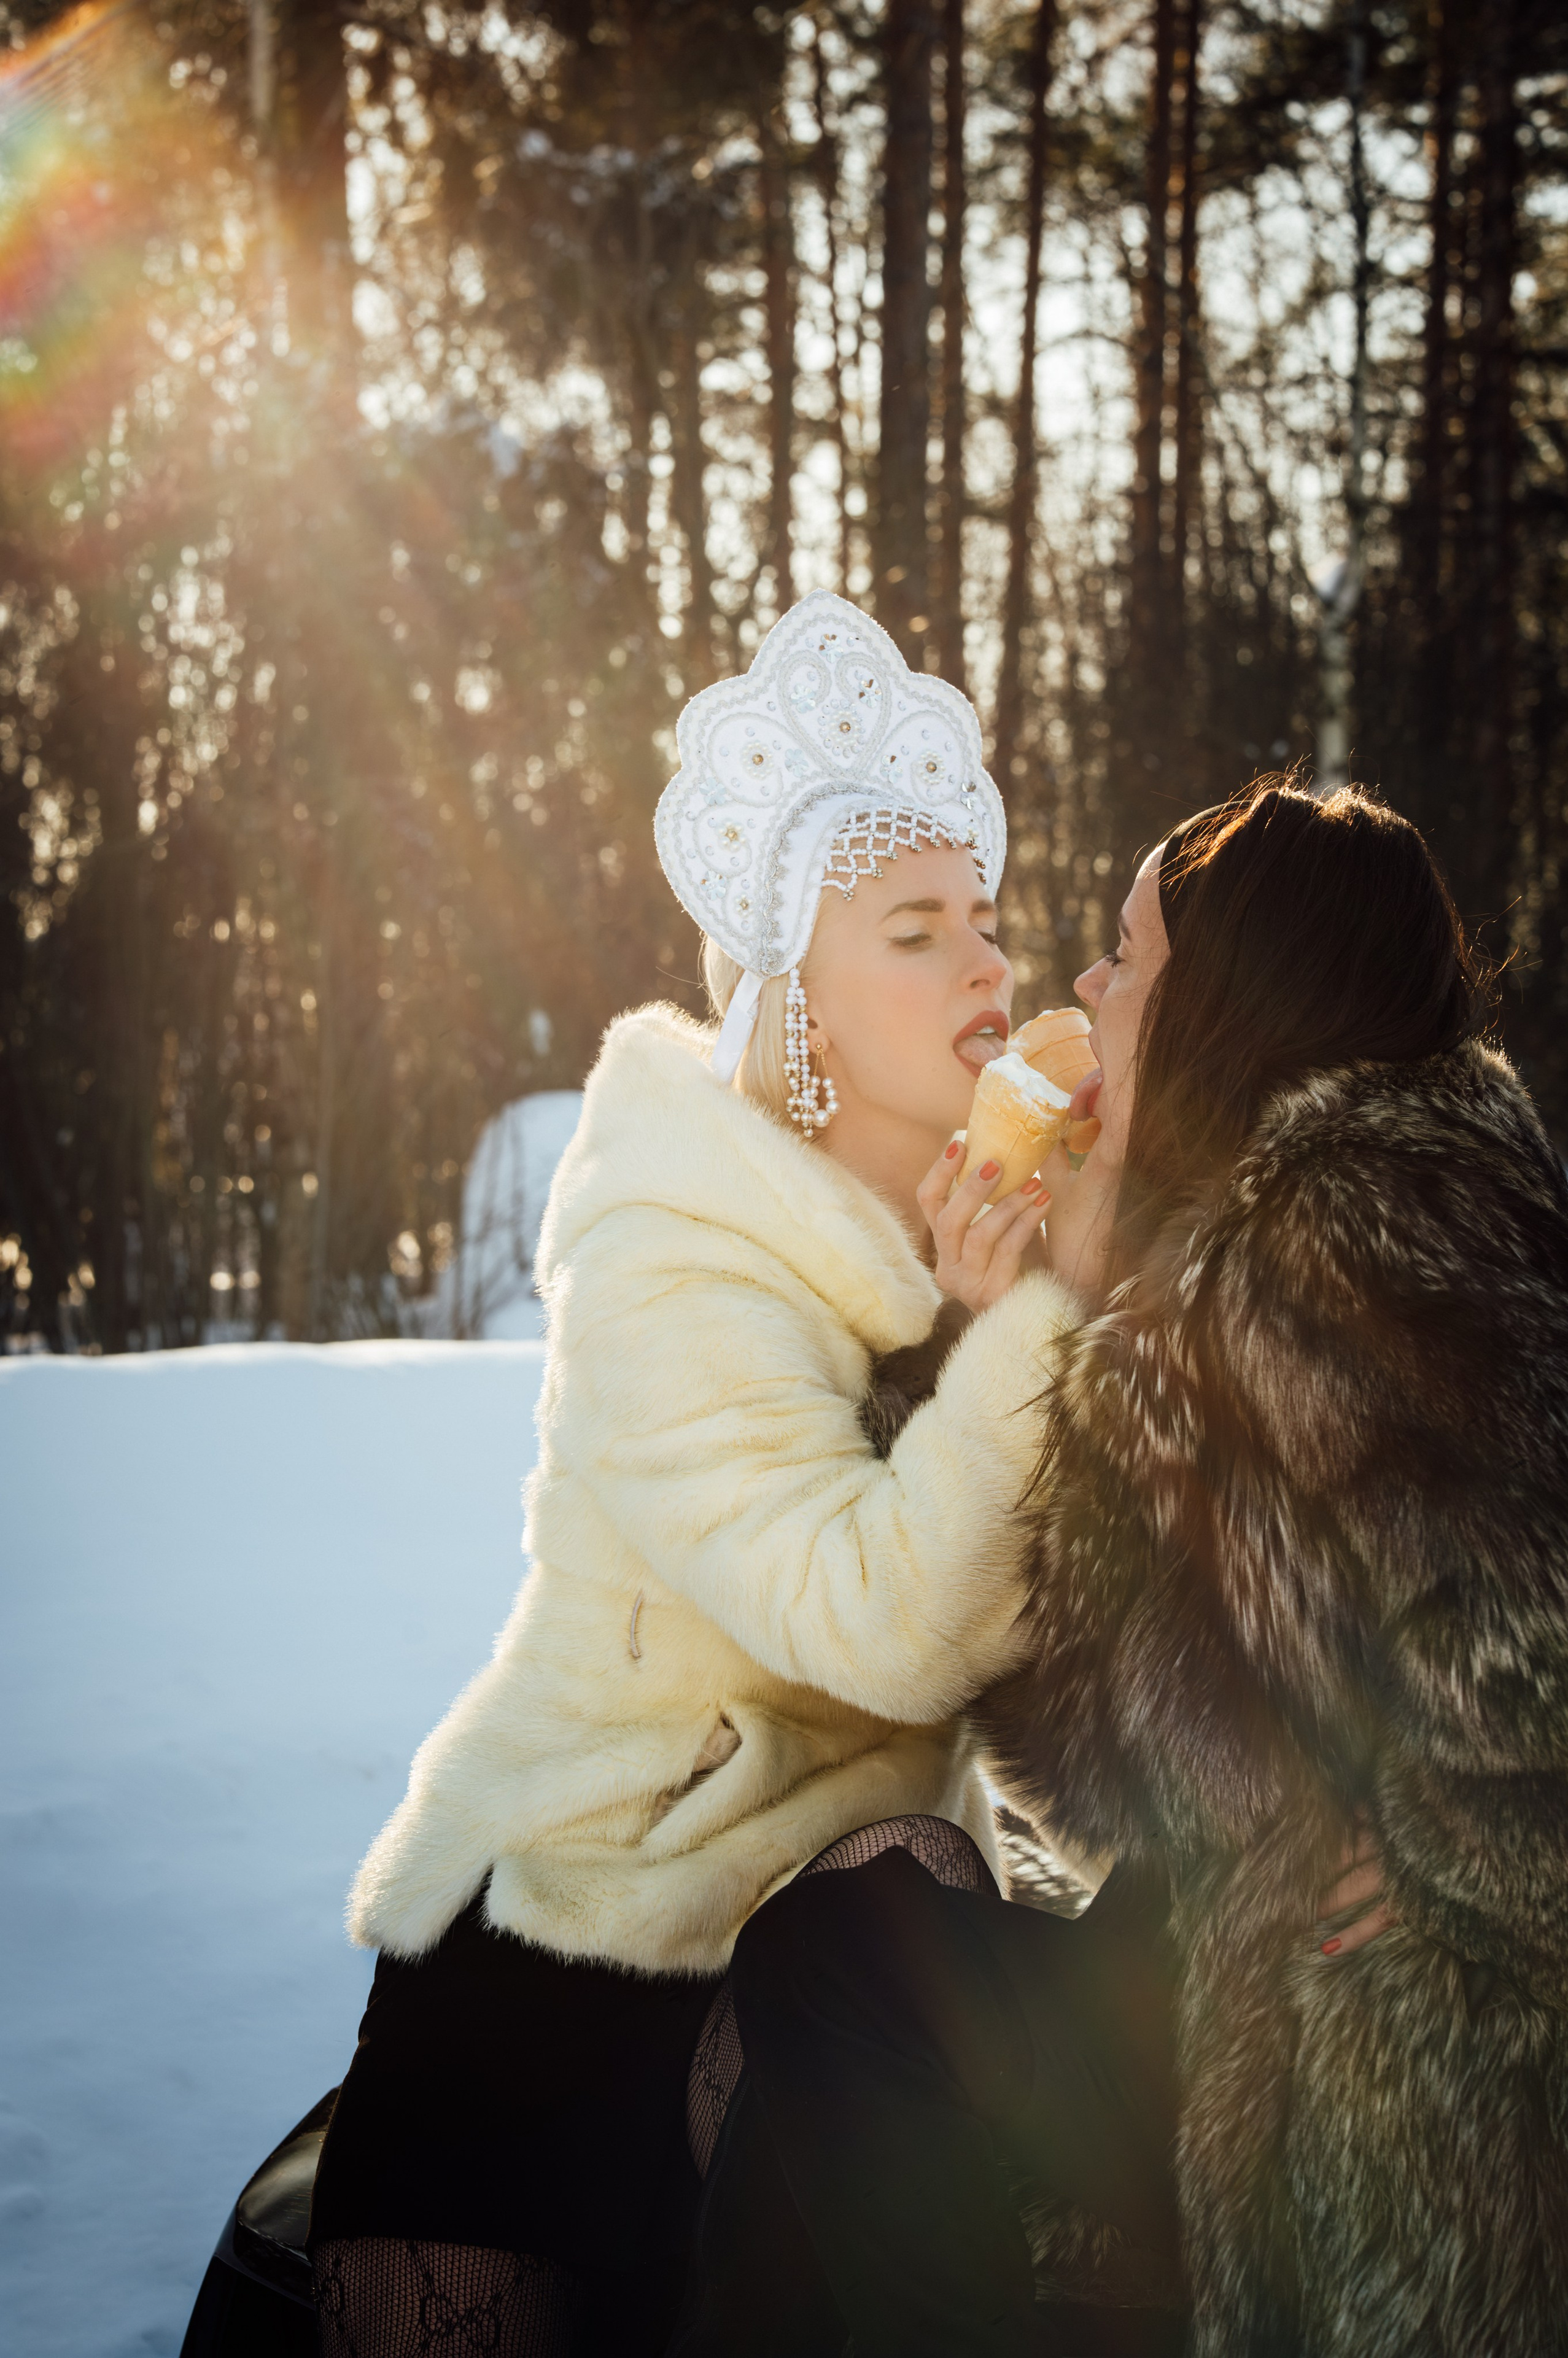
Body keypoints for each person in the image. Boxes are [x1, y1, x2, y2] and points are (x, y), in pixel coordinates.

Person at [689, 778, 1568, 2358]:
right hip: (1224, 1960)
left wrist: (1439, 1861)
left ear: (1229, 999)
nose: (1083, 989)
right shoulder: (1277, 1231)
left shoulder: (1385, 1258)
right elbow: (1090, 1744)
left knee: (834, 1972)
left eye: (1125, 955)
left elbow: (1527, 1669)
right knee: (849, 1963)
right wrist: (1024, 1333)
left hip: (1379, 2070)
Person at [304, 591, 1081, 2357]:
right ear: (798, 1004)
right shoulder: (674, 1255)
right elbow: (876, 1621)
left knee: (895, 1894)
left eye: (989, 921)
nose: (989, 969)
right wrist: (1016, 1335)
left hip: (834, 1941)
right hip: (576, 1943)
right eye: (919, 930)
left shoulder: (985, 1221)